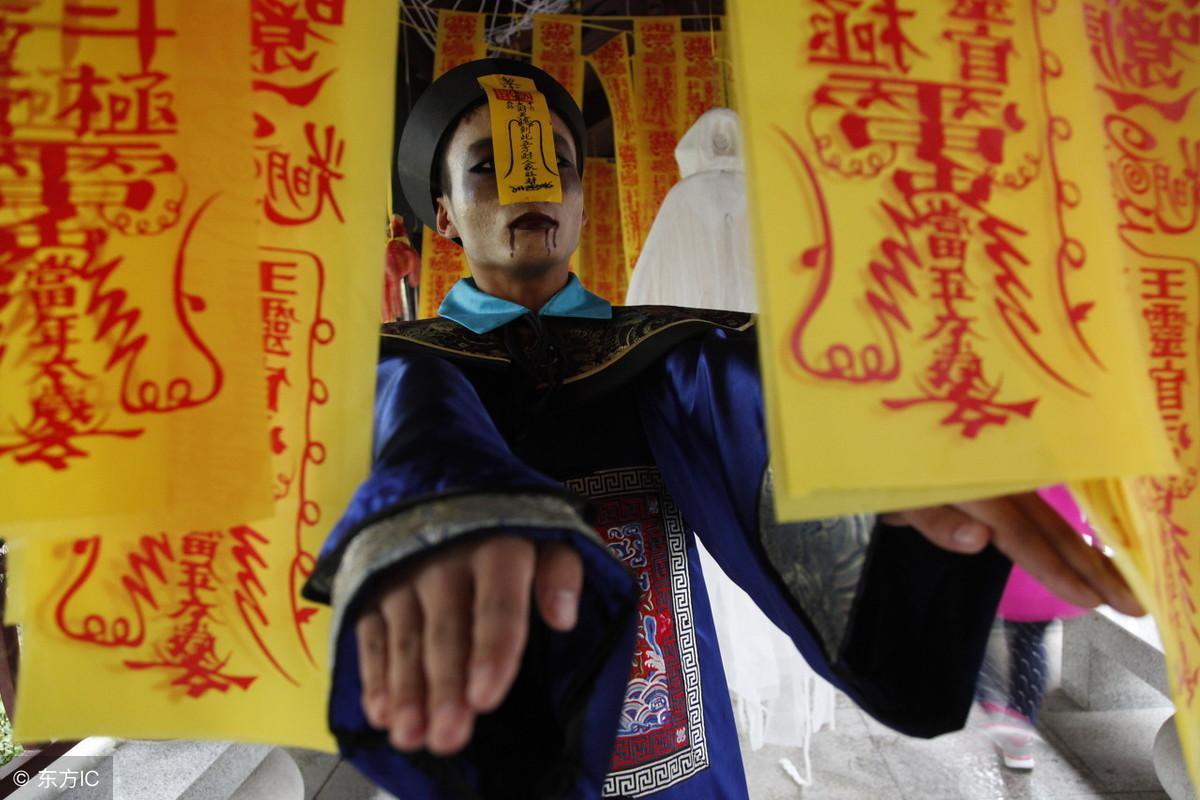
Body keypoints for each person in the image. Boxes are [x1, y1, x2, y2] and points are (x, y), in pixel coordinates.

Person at [301, 58, 1142, 800]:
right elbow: (413, 414)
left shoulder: (658, 353)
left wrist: (876, 433)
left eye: (557, 163)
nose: (532, 188)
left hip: (675, 756)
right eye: (491, 167)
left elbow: (749, 390)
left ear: (583, 198)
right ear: (443, 214)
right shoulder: (403, 368)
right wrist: (438, 501)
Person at [976, 486, 1094, 770]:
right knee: (1030, 641)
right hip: (1055, 557)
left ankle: (992, 702)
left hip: (996, 547)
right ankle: (1019, 736)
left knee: (961, 635)